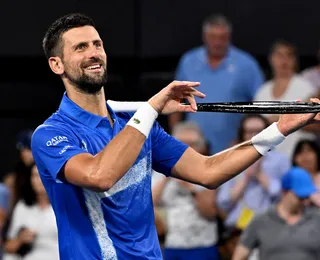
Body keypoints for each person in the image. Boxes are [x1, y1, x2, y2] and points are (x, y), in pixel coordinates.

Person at [31, 13, 320, 260]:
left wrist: (279, 130)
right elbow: (100, 175)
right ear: (57, 65)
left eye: (97, 44)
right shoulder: (51, 135)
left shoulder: (138, 126)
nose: (94, 53)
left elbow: (209, 171)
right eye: (80, 47)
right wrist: (152, 108)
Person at [170, 14, 264, 154]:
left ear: (229, 37)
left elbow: (259, 105)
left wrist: (245, 138)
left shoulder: (247, 65)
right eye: (213, 37)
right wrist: (175, 136)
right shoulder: (188, 62)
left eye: (222, 38)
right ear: (204, 37)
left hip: (234, 145)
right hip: (193, 145)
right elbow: (174, 99)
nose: (218, 43)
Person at [152, 121, 219, 260]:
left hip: (202, 245)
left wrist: (190, 187)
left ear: (202, 147)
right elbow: (148, 203)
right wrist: (168, 174)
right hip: (172, 245)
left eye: (192, 143)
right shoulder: (160, 171)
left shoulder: (210, 172)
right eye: (181, 143)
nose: (186, 148)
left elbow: (211, 212)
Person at [232, 167, 320, 260]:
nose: (305, 202)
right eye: (300, 197)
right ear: (284, 192)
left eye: (307, 196)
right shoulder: (261, 221)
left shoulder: (316, 220)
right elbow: (240, 255)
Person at [254, 40, 317, 158]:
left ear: (295, 60)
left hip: (299, 158)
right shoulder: (262, 92)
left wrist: (282, 120)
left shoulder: (306, 87)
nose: (284, 60)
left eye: (289, 55)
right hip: (269, 160)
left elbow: (316, 124)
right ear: (271, 58)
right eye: (279, 55)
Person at [3, 164, 58, 260]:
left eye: (42, 175)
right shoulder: (23, 206)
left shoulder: (62, 206)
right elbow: (8, 246)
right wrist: (20, 239)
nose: (38, 180)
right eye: (35, 176)